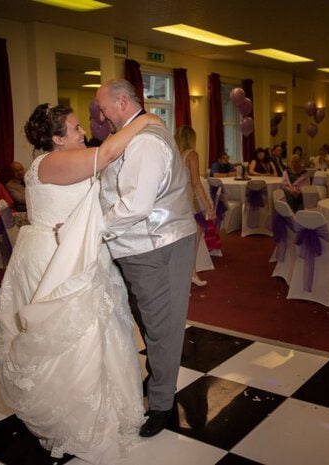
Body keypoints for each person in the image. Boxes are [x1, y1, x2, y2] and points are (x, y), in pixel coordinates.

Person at [0, 103, 162, 463]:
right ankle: (74, 417)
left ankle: (101, 408)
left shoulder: (59, 160)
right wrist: (144, 120)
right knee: (71, 339)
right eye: (72, 128)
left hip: (74, 252)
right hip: (58, 261)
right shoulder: (52, 162)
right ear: (56, 139)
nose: (81, 130)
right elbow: (110, 151)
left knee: (96, 334)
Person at [96, 79, 198, 438]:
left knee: (162, 329)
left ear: (122, 102)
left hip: (158, 245)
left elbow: (137, 205)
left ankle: (161, 404)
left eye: (103, 107)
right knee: (150, 323)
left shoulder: (145, 142)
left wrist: (94, 227)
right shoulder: (134, 134)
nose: (101, 114)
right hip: (139, 248)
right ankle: (158, 382)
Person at [174, 125, 216, 287]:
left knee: (190, 234)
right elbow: (196, 183)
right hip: (184, 201)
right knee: (195, 233)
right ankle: (189, 273)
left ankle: (189, 272)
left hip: (174, 200)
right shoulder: (191, 155)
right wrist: (209, 208)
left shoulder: (174, 154)